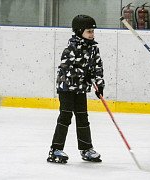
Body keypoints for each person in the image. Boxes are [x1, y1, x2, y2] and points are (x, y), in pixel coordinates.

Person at [47, 15, 105, 164]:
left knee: (83, 117)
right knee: (65, 117)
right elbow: (66, 69)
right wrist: (83, 75)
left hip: (80, 89)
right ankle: (55, 149)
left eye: (93, 31)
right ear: (79, 32)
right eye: (89, 31)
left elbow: (98, 68)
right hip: (66, 88)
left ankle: (86, 149)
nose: (92, 34)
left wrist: (100, 85)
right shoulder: (71, 48)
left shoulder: (93, 48)